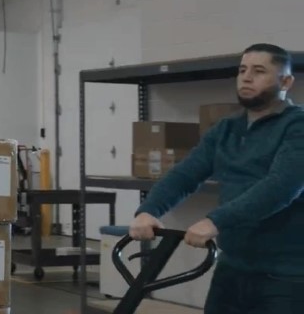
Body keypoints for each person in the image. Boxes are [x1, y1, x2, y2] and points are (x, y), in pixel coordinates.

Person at [128, 43, 304, 313]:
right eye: (242, 70)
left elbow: (281, 186)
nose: (246, 77)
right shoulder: (226, 128)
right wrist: (149, 209)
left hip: (286, 276)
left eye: (259, 71)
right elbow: (186, 174)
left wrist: (215, 221)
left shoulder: (297, 125)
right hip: (232, 268)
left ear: (286, 81)